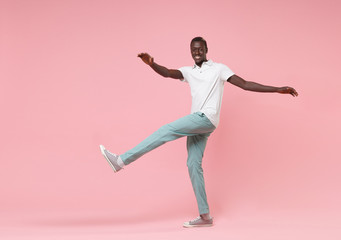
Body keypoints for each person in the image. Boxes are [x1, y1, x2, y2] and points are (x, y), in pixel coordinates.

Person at [99, 36, 298, 228]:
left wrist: (278, 89)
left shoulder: (219, 69)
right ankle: (205, 216)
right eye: (193, 49)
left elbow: (245, 84)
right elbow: (168, 72)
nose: (197, 52)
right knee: (193, 164)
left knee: (166, 130)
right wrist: (152, 64)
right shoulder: (188, 71)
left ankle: (121, 160)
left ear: (206, 50)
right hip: (199, 122)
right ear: (190, 52)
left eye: (200, 49)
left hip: (205, 118)